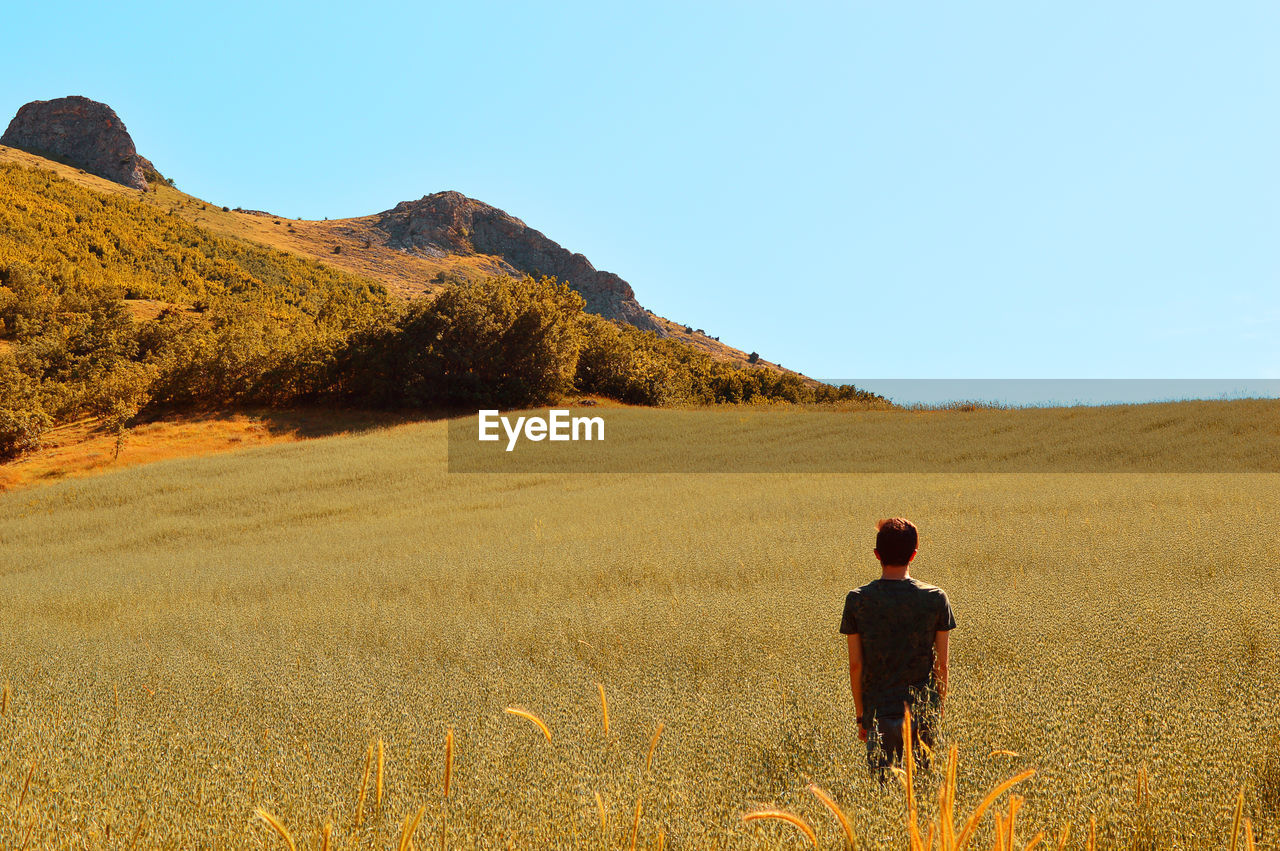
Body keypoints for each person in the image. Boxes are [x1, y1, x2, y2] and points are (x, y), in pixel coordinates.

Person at [839, 517, 956, 777]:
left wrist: (862, 717)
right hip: (922, 713)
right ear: (914, 555)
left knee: (881, 789)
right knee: (923, 790)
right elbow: (941, 664)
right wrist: (937, 709)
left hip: (879, 714)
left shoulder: (858, 600)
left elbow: (856, 665)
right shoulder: (936, 598)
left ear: (877, 555)